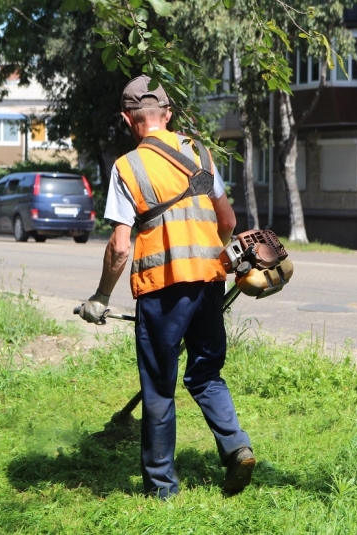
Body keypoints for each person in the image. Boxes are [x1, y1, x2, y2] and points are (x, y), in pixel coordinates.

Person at [79, 75, 255, 499]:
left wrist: (101, 296)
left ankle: (162, 488)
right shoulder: (199, 153)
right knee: (206, 373)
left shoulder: (128, 166)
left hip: (163, 290)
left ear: (127, 119)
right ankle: (236, 448)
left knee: (159, 386)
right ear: (168, 115)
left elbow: (121, 246)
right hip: (210, 281)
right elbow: (228, 221)